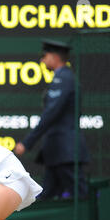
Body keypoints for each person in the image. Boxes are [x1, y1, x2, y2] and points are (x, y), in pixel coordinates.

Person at [14, 39, 89, 200]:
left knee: (80, 197)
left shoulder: (63, 79)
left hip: (65, 152)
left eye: (45, 56)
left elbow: (50, 114)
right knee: (45, 197)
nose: (42, 60)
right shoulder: (63, 78)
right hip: (58, 153)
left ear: (54, 57)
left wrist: (27, 142)